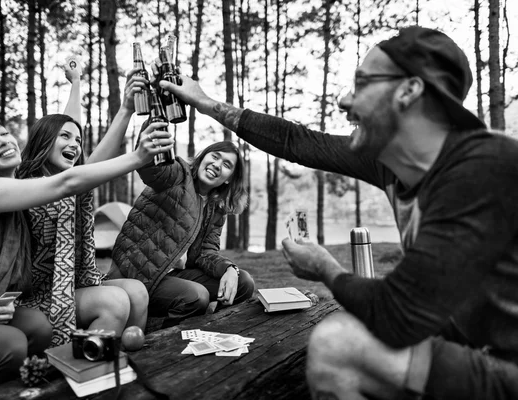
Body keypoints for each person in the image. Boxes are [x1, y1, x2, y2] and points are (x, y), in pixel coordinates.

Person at [159, 26, 518, 400]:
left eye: (362, 83)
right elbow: (295, 142)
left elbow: (397, 314)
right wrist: (204, 102)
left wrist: (325, 269)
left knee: (338, 343)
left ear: (409, 91)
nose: (345, 101)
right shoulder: (391, 163)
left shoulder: (482, 169)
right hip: (464, 344)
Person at [0, 107, 172, 396]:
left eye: (3, 132)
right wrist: (138, 157)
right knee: (11, 345)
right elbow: (66, 181)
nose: (2, 140)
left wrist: (122, 107)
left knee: (37, 328)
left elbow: (73, 162)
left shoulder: (12, 192)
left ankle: (95, 376)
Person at [16, 68, 150, 346]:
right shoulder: (26, 187)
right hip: (39, 293)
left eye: (78, 140)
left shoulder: (74, 185)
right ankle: (83, 370)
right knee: (114, 302)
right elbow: (87, 164)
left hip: (74, 281)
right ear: (43, 140)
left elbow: (72, 130)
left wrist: (76, 83)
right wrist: (125, 110)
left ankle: (129, 361)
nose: (75, 145)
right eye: (65, 137)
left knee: (136, 291)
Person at [105, 140, 255, 328]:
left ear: (228, 179)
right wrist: (154, 126)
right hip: (141, 274)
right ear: (202, 158)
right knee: (196, 296)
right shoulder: (177, 175)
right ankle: (164, 340)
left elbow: (206, 252)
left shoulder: (216, 207)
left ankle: (210, 327)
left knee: (244, 283)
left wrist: (229, 269)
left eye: (226, 165)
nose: (217, 165)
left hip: (176, 275)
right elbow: (151, 166)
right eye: (215, 156)